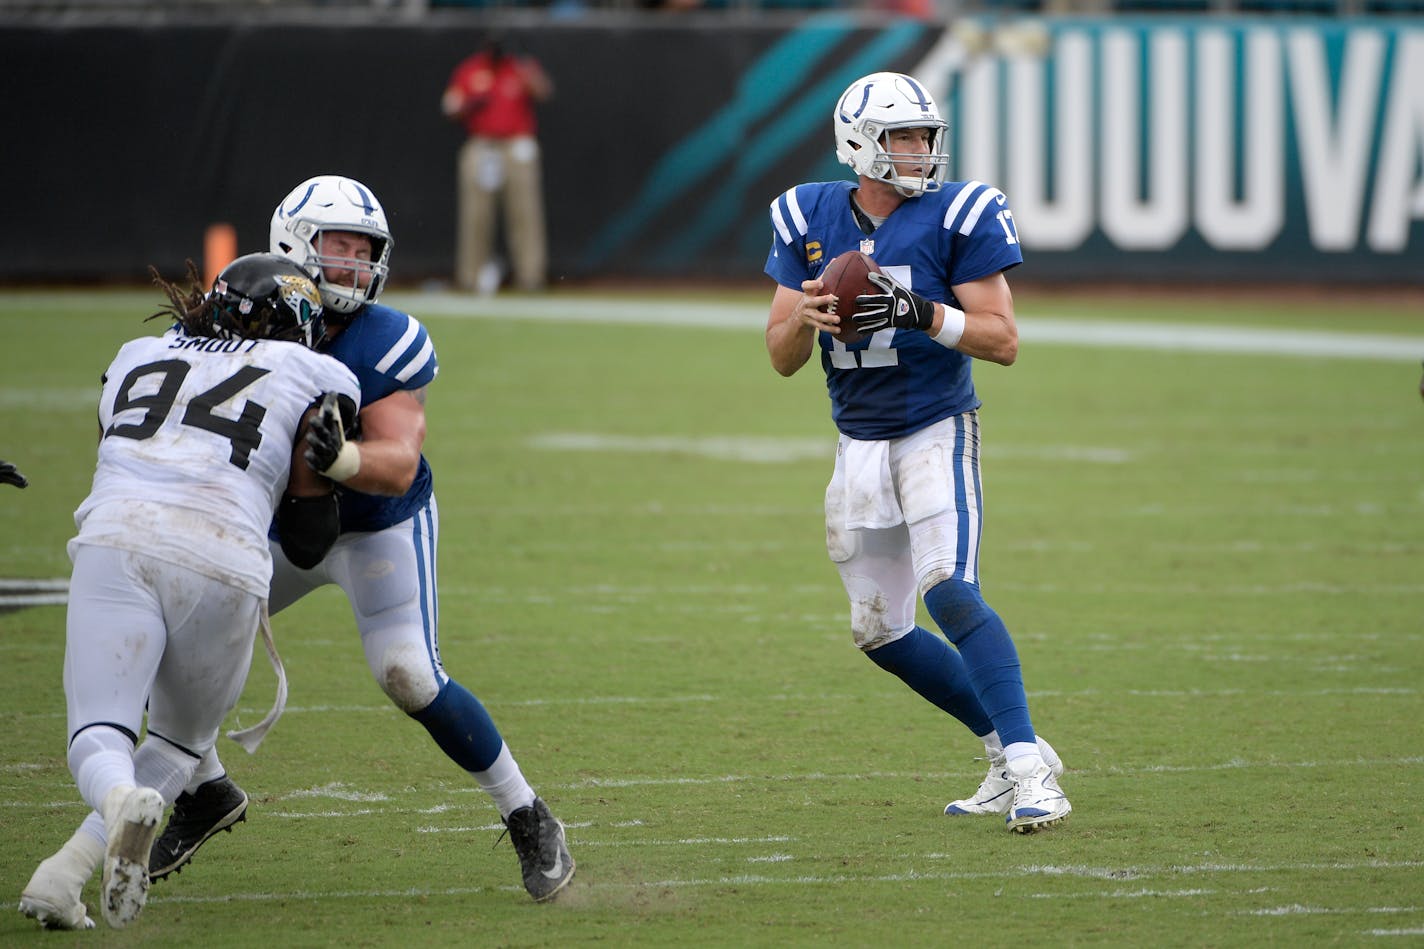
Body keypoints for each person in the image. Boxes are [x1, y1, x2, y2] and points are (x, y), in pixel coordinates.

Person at [147, 175, 575, 901]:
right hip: (275, 527)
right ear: (294, 244)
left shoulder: (386, 338)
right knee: (165, 634)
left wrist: (338, 459)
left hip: (378, 523)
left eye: (363, 250)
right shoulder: (245, 310)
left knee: (407, 672)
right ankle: (207, 788)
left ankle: (527, 811)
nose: (351, 264)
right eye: (337, 247)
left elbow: (399, 457)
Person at [763, 72, 1071, 833]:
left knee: (951, 589)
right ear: (860, 144)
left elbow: (1003, 340)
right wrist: (804, 313)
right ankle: (1006, 751)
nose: (919, 151)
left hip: (936, 427)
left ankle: (1035, 772)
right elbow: (779, 354)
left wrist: (923, 312)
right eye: (903, 136)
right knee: (879, 630)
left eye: (924, 136)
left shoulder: (960, 211)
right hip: (857, 441)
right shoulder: (806, 212)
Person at [18, 254, 360, 930]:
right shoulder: (319, 373)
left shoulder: (135, 352)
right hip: (225, 556)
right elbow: (310, 535)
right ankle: (62, 876)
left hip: (119, 533)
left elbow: (112, 449)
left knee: (99, 730)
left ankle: (115, 803)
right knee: (177, 744)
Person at [441, 34, 553, 294]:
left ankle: (530, 276)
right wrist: (469, 104)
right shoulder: (471, 69)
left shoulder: (520, 66)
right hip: (483, 144)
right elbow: (450, 107)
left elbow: (544, 91)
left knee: (524, 213)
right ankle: (470, 276)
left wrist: (524, 66)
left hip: (516, 146)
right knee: (477, 215)